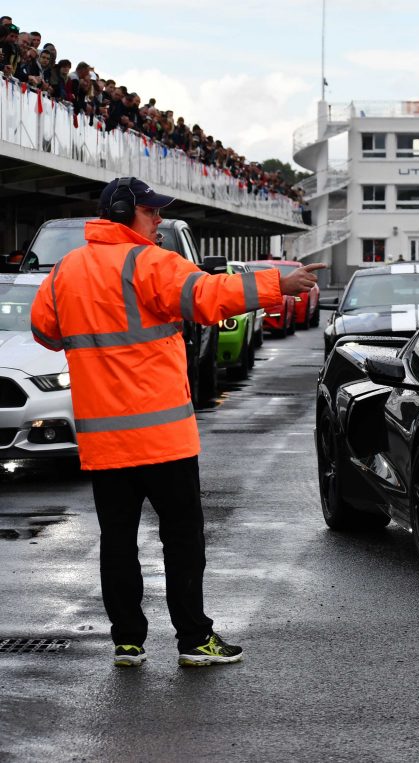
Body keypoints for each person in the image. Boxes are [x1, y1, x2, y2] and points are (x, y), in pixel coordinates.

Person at [30, 177, 325, 669]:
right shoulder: (149, 262)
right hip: (162, 438)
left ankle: (127, 642)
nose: (159, 219)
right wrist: (278, 285)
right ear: (126, 213)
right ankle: (193, 639)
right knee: (182, 539)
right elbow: (208, 296)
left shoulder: (66, 270)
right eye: (151, 211)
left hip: (104, 441)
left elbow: (44, 331)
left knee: (117, 541)